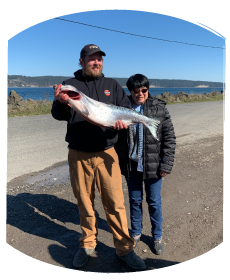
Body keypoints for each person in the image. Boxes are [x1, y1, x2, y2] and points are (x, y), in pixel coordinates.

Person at [51, 44, 146, 271]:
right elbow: (58, 115)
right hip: (78, 154)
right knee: (85, 202)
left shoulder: (112, 85)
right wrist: (60, 102)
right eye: (91, 59)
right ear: (81, 61)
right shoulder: (69, 85)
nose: (96, 63)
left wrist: (124, 125)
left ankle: (125, 249)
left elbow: (124, 109)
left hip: (107, 153)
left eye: (99, 59)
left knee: (115, 203)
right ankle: (87, 244)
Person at [115, 74, 176, 255]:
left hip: (153, 165)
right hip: (131, 165)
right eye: (136, 91)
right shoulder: (122, 108)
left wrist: (166, 165)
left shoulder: (159, 108)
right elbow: (116, 139)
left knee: (154, 202)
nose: (140, 94)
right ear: (130, 91)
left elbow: (170, 139)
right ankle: (135, 233)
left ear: (148, 89)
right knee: (134, 201)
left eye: (144, 90)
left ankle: (157, 236)